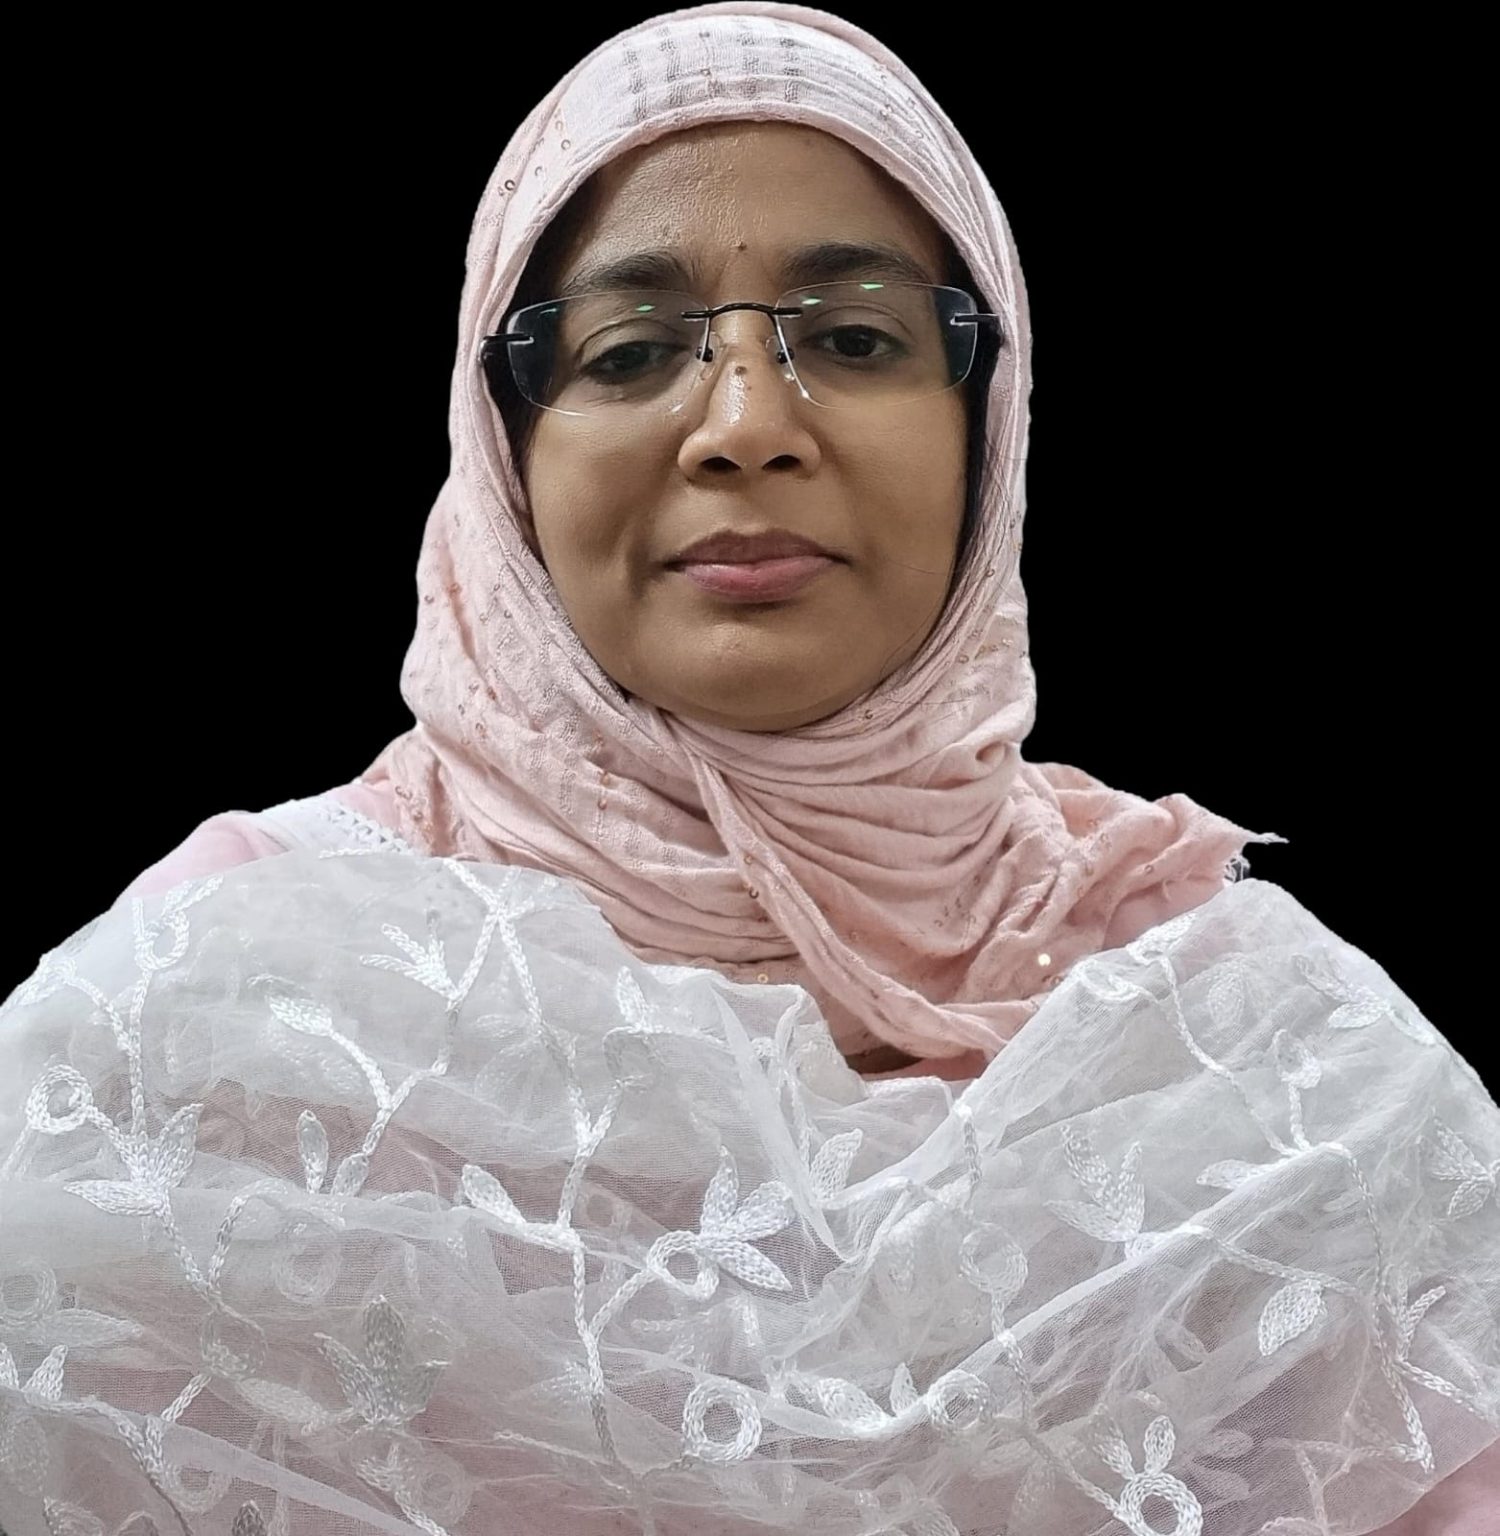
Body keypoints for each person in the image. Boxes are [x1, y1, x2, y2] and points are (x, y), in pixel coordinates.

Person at [1, 6, 1494, 1533]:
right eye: (631, 351)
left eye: (853, 339)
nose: (745, 426)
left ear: (989, 426)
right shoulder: (228, 1004)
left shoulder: (1254, 1056)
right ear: (503, 449)